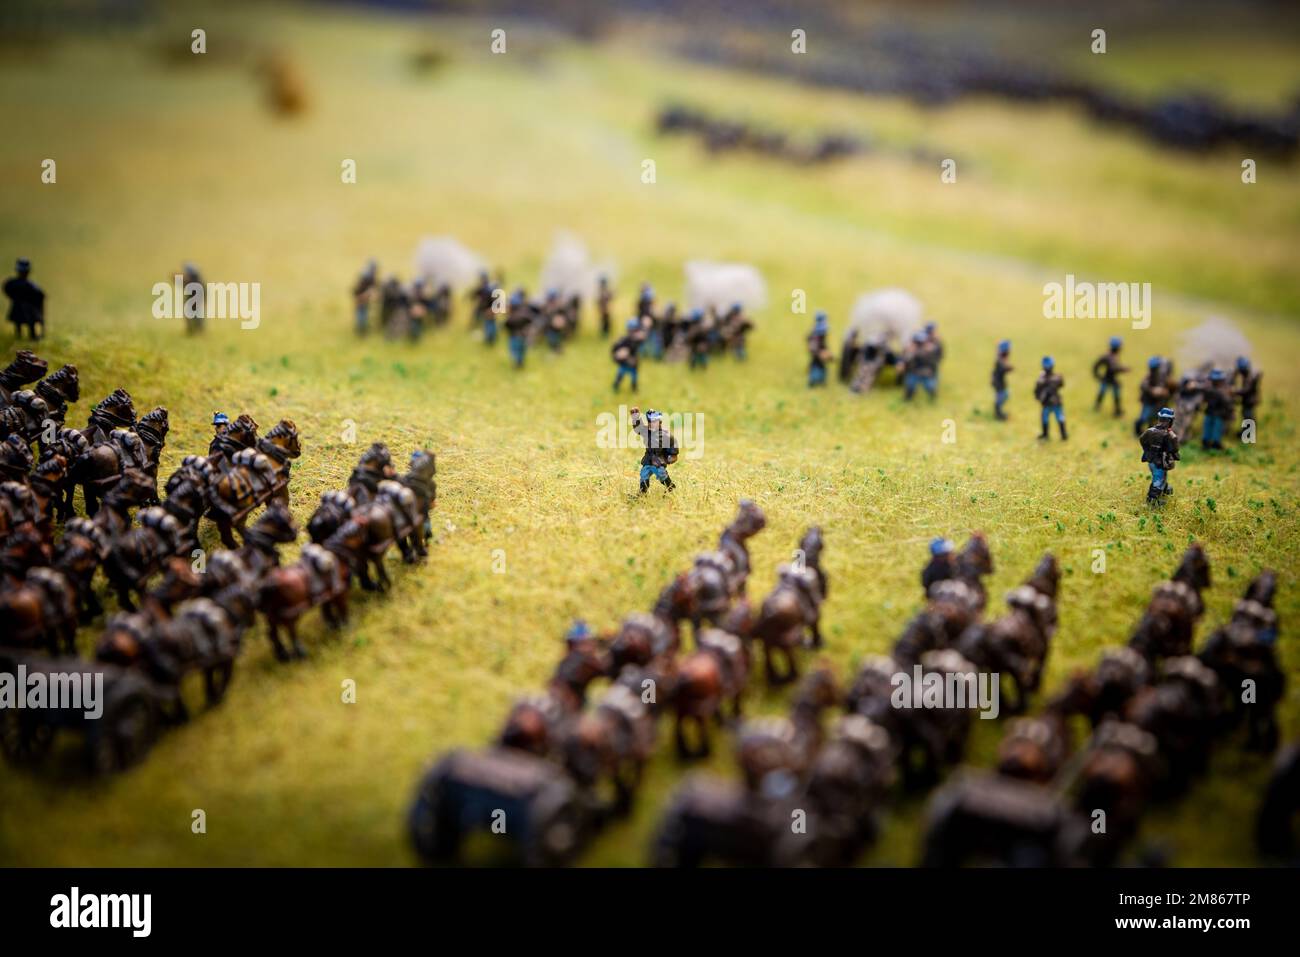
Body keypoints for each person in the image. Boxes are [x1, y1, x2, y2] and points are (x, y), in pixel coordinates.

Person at [630, 406, 677, 494]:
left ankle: (670, 487)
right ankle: (642, 492)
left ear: (660, 422)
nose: (653, 424)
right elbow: (638, 429)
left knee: (662, 474)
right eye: (651, 422)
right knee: (644, 474)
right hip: (648, 459)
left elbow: (672, 444)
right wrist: (636, 417)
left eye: (655, 421)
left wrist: (673, 455)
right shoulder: (646, 431)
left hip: (659, 460)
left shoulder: (665, 434)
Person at [1139, 407, 1179, 503]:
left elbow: (1142, 440)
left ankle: (1164, 488)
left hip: (1151, 460)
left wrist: (1147, 450)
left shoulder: (1149, 431)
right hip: (1161, 462)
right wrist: (1174, 440)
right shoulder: (1169, 435)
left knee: (1159, 476)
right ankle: (1152, 500)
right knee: (1158, 479)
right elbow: (1174, 449)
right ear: (1170, 421)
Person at [5, 258, 46, 340]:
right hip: (21, 308)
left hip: (28, 309)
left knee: (29, 323)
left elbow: (40, 296)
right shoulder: (14, 284)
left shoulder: (29, 286)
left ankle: (31, 337)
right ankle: (22, 337)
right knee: (19, 323)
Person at [1134, 356, 1172, 436]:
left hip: (1157, 402)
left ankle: (1150, 432)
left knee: (1153, 418)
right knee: (1144, 417)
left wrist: (1163, 391)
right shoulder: (1149, 376)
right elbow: (1143, 385)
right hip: (1148, 401)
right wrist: (1152, 390)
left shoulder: (1162, 376)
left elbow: (1166, 386)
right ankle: (1137, 430)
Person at [1092, 336, 1128, 416]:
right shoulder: (1109, 356)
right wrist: (1123, 369)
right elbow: (1113, 368)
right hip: (1107, 379)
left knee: (1115, 394)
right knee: (1103, 392)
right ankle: (1098, 406)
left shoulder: (1114, 356)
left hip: (1111, 379)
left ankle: (1117, 410)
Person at [1035, 356, 1066, 440]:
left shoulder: (1045, 379)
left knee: (1057, 417)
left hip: (1052, 402)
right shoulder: (1055, 377)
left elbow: (1037, 390)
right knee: (1052, 417)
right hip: (1051, 402)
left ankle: (1060, 434)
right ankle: (1049, 434)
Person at [1201, 368, 1232, 450]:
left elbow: (1204, 399)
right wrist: (1229, 413)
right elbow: (1227, 403)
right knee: (1216, 428)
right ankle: (1215, 443)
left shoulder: (1207, 389)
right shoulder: (1222, 392)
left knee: (1208, 427)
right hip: (1218, 413)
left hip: (1210, 411)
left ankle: (1206, 442)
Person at [902, 331, 938, 400]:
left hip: (926, 372)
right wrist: (909, 353)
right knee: (910, 386)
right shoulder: (909, 350)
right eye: (917, 342)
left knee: (930, 387)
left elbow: (932, 361)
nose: (919, 345)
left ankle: (933, 398)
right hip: (913, 372)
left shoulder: (930, 350)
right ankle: (907, 399)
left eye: (921, 343)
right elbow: (905, 360)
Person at [1233, 356, 1262, 435]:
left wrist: (1235, 391)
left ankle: (1248, 435)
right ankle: (1245, 432)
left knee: (1248, 416)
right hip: (1248, 400)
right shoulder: (1248, 375)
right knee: (1246, 416)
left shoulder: (1249, 377)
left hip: (1249, 400)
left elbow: (1246, 390)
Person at [612, 319, 643, 393]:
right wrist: (618, 353)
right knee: (620, 374)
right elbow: (615, 350)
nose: (633, 333)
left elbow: (635, 349)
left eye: (635, 330)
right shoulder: (624, 340)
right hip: (624, 363)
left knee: (634, 377)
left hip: (633, 364)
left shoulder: (638, 341)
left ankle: (634, 388)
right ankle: (616, 385)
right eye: (631, 330)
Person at [504, 290, 531, 368]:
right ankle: (520, 363)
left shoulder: (512, 317)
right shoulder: (525, 313)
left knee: (515, 351)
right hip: (523, 336)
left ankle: (517, 364)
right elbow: (530, 320)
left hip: (515, 337)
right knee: (521, 351)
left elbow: (506, 325)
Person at [352, 259, 378, 335]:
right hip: (361, 300)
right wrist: (367, 295)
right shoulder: (365, 277)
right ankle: (361, 332)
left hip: (364, 300)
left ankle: (362, 331)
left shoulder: (371, 277)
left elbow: (374, 289)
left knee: (364, 316)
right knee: (361, 316)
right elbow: (357, 292)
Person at [807, 312, 831, 387]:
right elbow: (813, 348)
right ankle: (813, 381)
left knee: (821, 368)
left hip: (819, 355)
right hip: (817, 356)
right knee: (816, 368)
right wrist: (820, 353)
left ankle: (820, 381)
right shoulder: (815, 336)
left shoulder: (820, 337)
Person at [991, 339, 1012, 420]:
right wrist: (1009, 368)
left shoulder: (1001, 359)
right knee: (1002, 396)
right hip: (998, 383)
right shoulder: (1000, 360)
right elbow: (1003, 368)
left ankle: (999, 412)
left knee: (1004, 395)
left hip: (999, 382)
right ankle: (998, 414)